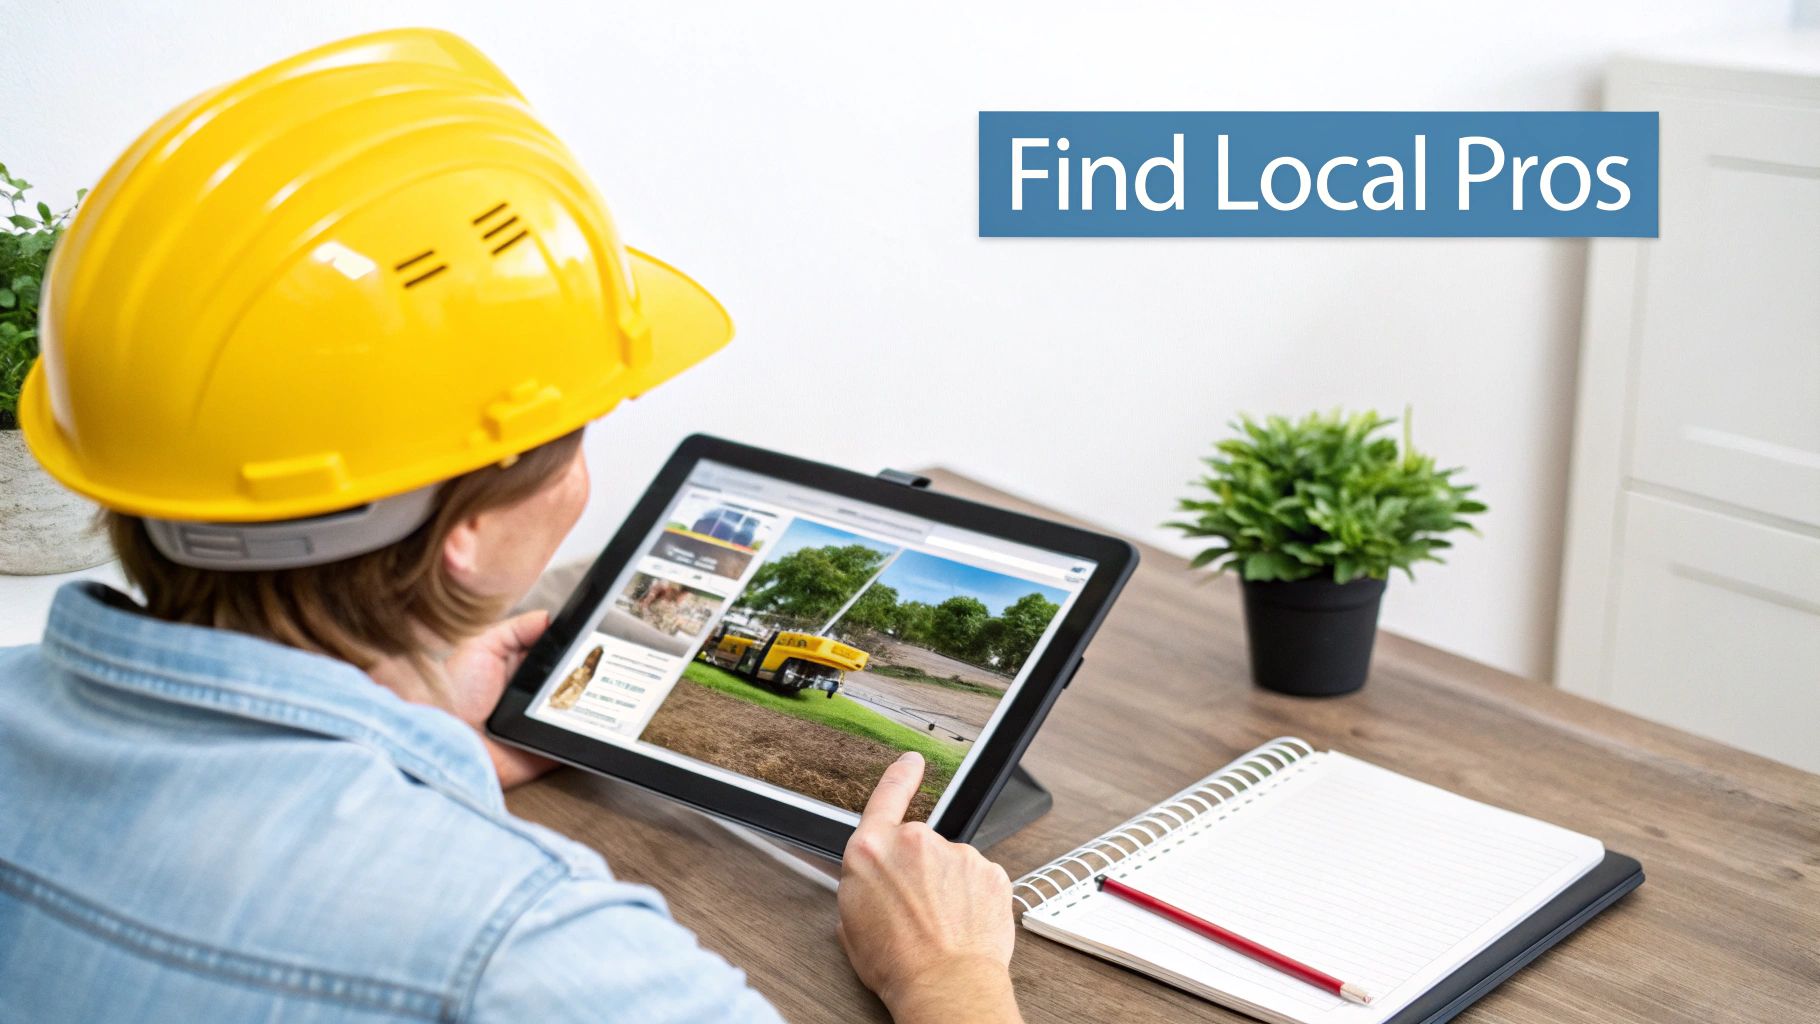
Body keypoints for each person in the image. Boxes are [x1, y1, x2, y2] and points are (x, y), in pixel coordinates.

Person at [0, 29, 1021, 1024]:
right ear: (467, 535)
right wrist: (948, 976)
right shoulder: (533, 949)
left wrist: (419, 739)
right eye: (569, 436)